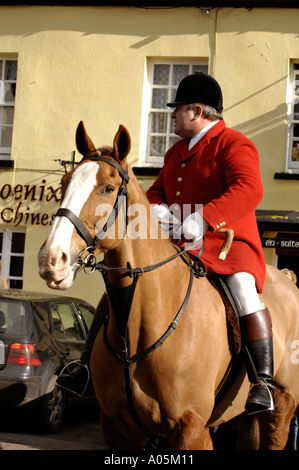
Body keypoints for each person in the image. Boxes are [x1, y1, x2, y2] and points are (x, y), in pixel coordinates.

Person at [58, 72, 274, 416]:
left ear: (198, 111)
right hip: (178, 246)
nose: (171, 114)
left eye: (178, 109)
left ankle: (263, 383)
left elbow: (249, 189)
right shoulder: (177, 151)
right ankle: (84, 365)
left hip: (226, 246)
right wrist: (155, 206)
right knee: (120, 287)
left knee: (244, 292)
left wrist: (203, 219)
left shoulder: (233, 143)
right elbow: (157, 190)